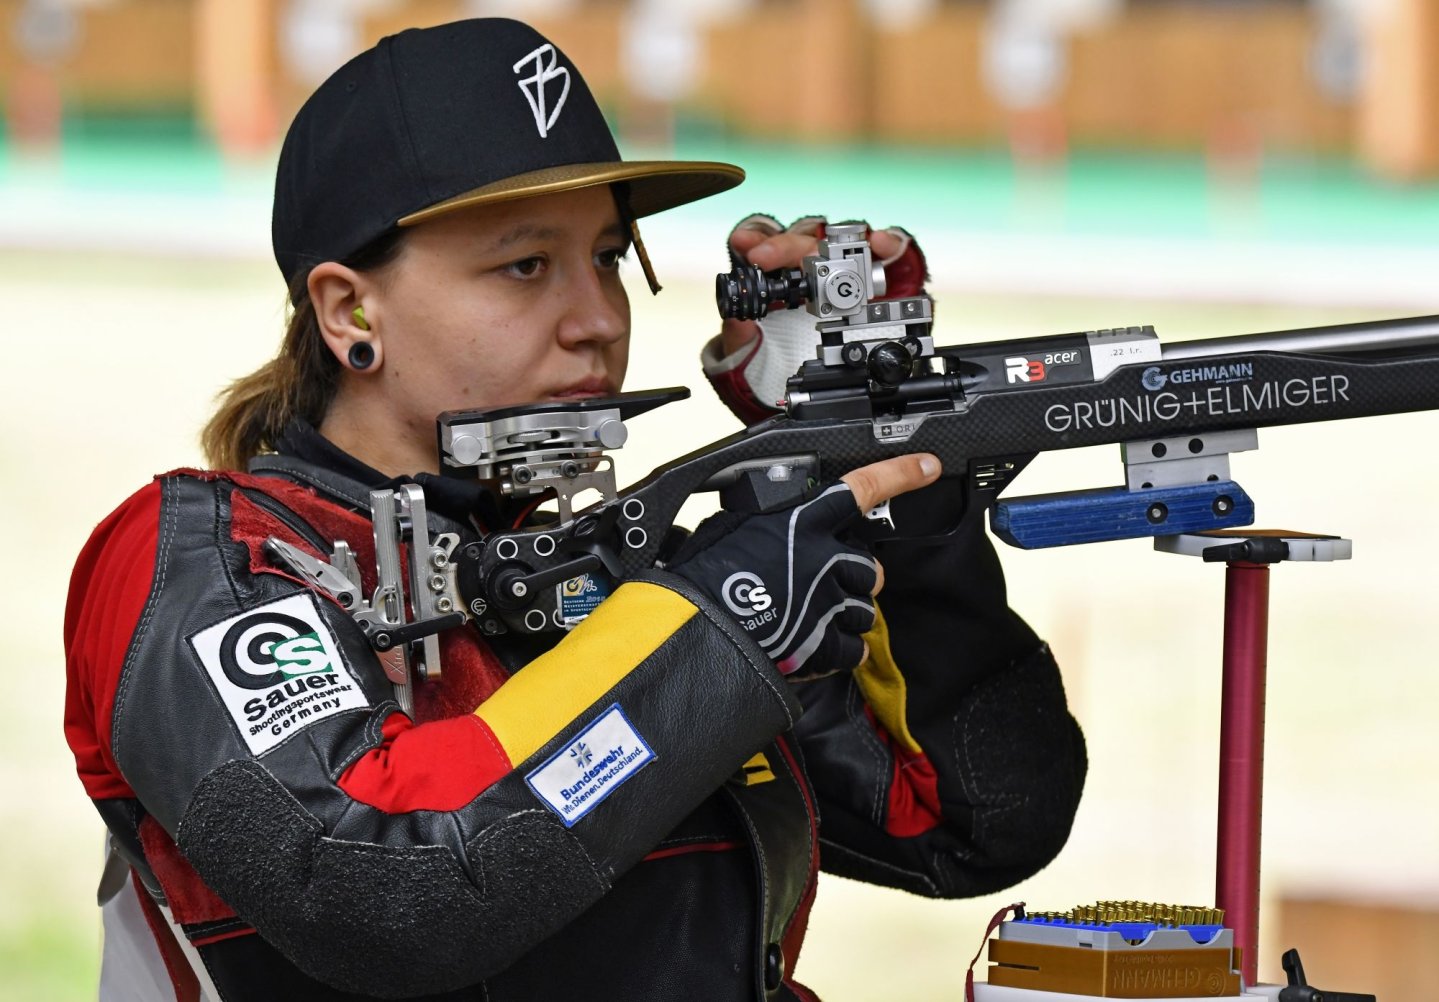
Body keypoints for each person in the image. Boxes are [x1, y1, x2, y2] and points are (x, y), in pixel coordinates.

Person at [63, 17, 1087, 1002]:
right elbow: (374, 883)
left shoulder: (611, 575)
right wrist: (716, 619)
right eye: (523, 265)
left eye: (605, 257)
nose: (597, 320)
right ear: (348, 310)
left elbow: (971, 817)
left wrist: (871, 463)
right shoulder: (202, 557)